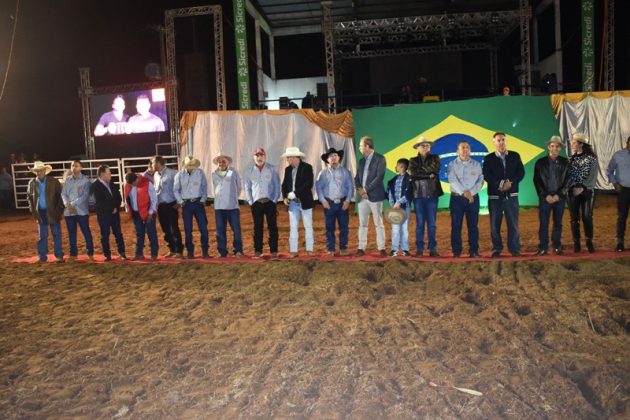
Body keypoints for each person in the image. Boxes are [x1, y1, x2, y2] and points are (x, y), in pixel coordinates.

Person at [482, 132, 525, 258]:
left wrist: (510, 183)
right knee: (494, 225)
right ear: (494, 143)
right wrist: (500, 184)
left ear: (506, 141)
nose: (501, 142)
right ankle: (496, 249)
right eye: (498, 140)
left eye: (503, 140)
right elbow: (487, 175)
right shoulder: (489, 158)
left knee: (513, 224)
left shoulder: (515, 156)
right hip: (495, 197)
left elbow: (521, 172)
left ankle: (514, 249)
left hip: (512, 195)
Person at [533, 136, 570, 256]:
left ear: (560, 148)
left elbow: (568, 180)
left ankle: (557, 246)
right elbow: (537, 181)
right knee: (544, 224)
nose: (555, 148)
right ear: (549, 147)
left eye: (557, 146)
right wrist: (545, 195)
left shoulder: (565, 162)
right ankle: (543, 247)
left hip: (559, 198)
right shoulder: (540, 163)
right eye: (552, 146)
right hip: (545, 198)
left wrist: (559, 195)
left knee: (558, 223)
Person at [447, 140, 484, 258]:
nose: (465, 150)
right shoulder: (452, 165)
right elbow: (452, 180)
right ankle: (456, 251)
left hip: (473, 199)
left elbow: (480, 181)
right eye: (462, 147)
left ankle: (474, 251)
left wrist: (471, 193)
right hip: (456, 199)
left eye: (467, 147)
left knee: (473, 226)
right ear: (457, 151)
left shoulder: (476, 164)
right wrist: (464, 193)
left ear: (470, 150)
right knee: (456, 226)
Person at [316, 147, 354, 256]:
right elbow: (319, 188)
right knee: (329, 228)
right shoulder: (322, 173)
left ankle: (343, 248)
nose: (333, 157)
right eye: (330, 156)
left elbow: (350, 187)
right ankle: (331, 249)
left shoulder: (346, 172)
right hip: (329, 204)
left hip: (342, 203)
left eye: (335, 155)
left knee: (344, 227)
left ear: (339, 158)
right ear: (327, 160)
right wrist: (323, 200)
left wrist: (348, 200)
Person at [409, 137, 443, 257]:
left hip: (432, 195)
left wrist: (420, 172)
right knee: (420, 223)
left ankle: (432, 249)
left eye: (427, 145)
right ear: (417, 148)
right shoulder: (412, 160)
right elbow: (413, 174)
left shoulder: (435, 158)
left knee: (432, 223)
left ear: (430, 147)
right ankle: (420, 248)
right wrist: (428, 175)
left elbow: (435, 169)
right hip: (418, 196)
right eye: (422, 145)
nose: (425, 147)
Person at [244, 148, 281, 258]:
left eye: (261, 155)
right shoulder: (249, 171)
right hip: (256, 203)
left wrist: (274, 200)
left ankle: (274, 251)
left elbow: (277, 185)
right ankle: (258, 251)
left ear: (265, 156)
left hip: (270, 202)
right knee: (257, 227)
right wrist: (251, 202)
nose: (259, 158)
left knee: (273, 227)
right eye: (257, 155)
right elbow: (247, 187)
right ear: (253, 157)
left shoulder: (272, 169)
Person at [355, 136, 387, 257]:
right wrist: (360, 190)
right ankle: (361, 248)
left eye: (361, 145)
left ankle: (382, 248)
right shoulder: (361, 161)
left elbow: (379, 178)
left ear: (367, 146)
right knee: (362, 224)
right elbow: (356, 178)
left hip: (375, 196)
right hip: (362, 197)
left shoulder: (380, 159)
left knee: (378, 223)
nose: (359, 148)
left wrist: (365, 190)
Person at [26, 161, 65, 263]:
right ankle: (43, 257)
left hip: (53, 211)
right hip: (40, 212)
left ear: (44, 170)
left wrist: (59, 210)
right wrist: (33, 210)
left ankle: (58, 255)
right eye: (37, 171)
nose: (39, 172)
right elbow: (29, 197)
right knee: (42, 235)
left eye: (40, 170)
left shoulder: (54, 182)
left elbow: (61, 196)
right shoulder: (32, 183)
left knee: (56, 234)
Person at [567, 133, 598, 253]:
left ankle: (589, 241)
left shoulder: (592, 158)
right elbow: (568, 176)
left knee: (586, 216)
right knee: (574, 218)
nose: (572, 144)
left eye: (574, 142)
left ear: (581, 144)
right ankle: (577, 242)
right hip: (573, 191)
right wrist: (572, 188)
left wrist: (583, 187)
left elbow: (593, 176)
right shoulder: (571, 159)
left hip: (587, 191)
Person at [281, 146, 315, 257]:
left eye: (289, 158)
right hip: (293, 203)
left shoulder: (307, 167)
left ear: (296, 157)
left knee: (308, 226)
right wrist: (285, 197)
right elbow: (284, 185)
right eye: (288, 158)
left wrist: (295, 193)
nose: (288, 160)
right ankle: (293, 250)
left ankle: (309, 249)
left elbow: (308, 184)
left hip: (305, 201)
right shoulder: (287, 170)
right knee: (293, 226)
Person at [174, 156, 209, 259]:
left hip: (198, 203)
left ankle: (205, 251)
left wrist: (203, 200)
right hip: (186, 204)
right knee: (188, 229)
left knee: (203, 228)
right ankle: (190, 251)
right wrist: (181, 202)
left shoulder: (200, 173)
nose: (191, 167)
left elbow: (204, 187)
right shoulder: (179, 175)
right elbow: (175, 190)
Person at [149, 156, 183, 258]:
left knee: (174, 228)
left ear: (158, 163)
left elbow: (180, 187)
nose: (151, 165)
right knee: (165, 229)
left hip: (171, 204)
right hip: (161, 206)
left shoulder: (172, 173)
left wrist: (179, 201)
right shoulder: (155, 175)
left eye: (153, 163)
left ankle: (179, 251)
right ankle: (172, 249)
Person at [90, 165, 127, 261]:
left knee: (118, 233)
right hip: (104, 215)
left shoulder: (111, 183)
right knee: (105, 235)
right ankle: (107, 255)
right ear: (102, 174)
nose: (110, 174)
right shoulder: (95, 186)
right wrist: (111, 208)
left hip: (114, 213)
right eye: (109, 172)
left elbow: (118, 197)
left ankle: (122, 253)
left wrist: (116, 207)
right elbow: (98, 202)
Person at [212, 152, 244, 258]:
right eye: (219, 161)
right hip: (219, 207)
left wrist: (233, 197)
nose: (221, 163)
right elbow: (215, 188)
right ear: (217, 163)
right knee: (220, 230)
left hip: (232, 206)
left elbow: (239, 187)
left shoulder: (233, 172)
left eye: (223, 161)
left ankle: (238, 250)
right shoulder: (214, 174)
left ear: (228, 162)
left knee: (236, 229)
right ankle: (222, 251)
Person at [61, 160, 94, 260]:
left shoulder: (85, 180)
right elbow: (63, 193)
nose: (74, 167)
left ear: (81, 168)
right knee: (72, 233)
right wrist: (67, 204)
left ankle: (90, 253)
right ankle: (73, 254)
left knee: (86, 232)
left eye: (76, 165)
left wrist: (70, 204)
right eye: (72, 165)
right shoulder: (67, 180)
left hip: (81, 211)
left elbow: (85, 196)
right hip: (70, 211)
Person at [124, 172, 159, 260]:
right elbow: (127, 199)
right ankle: (138, 254)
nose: (133, 185)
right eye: (131, 184)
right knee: (139, 234)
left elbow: (154, 199)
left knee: (151, 233)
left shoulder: (147, 183)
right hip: (136, 213)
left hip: (148, 212)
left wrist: (150, 212)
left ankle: (154, 254)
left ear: (137, 179)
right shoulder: (128, 185)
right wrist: (129, 211)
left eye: (134, 183)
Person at [607, 136, 630, 252]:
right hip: (624, 189)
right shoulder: (618, 155)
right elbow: (609, 170)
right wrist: (615, 183)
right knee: (622, 216)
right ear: (627, 143)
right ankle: (620, 242)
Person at [387, 158, 413, 256]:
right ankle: (394, 249)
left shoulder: (409, 179)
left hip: (405, 207)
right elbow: (389, 193)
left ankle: (405, 249)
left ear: (402, 167)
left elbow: (408, 193)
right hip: (395, 209)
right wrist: (392, 204)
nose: (396, 167)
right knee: (395, 229)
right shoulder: (393, 180)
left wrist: (398, 202)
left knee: (404, 229)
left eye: (397, 165)